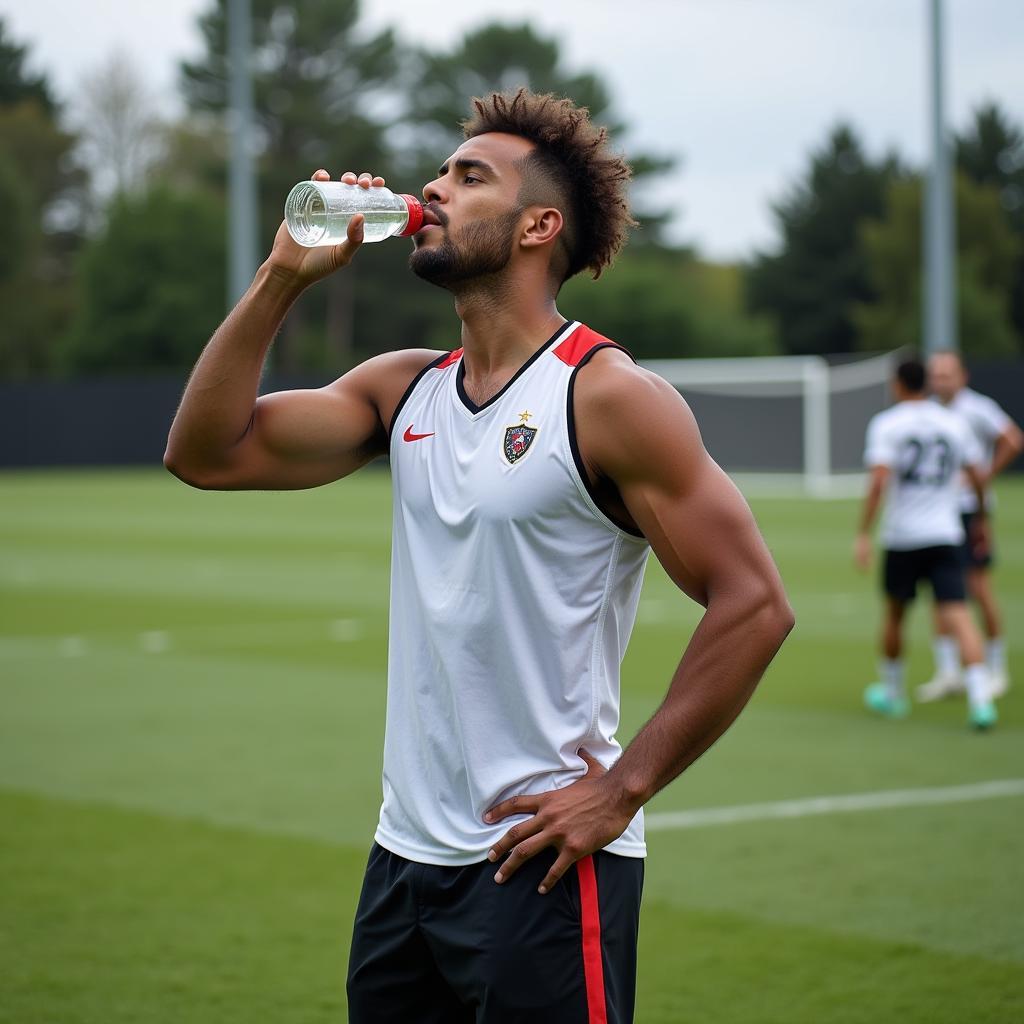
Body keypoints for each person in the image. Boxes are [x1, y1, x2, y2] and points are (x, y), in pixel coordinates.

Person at [165, 89, 794, 1023]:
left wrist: (621, 791)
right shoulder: (403, 388)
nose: (433, 188)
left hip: (541, 863)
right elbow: (206, 454)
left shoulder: (609, 396)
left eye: (469, 176)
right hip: (403, 861)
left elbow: (755, 603)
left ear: (540, 225)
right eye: (442, 172)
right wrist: (281, 279)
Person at [854, 358, 996, 730]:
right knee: (960, 615)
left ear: (899, 384)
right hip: (946, 532)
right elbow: (978, 476)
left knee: (895, 614)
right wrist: (980, 517)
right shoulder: (953, 423)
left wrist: (863, 533)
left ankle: (893, 694)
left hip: (903, 536)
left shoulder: (887, 423)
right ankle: (981, 702)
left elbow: (878, 482)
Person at [917, 350, 1023, 703]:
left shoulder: (978, 408)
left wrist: (985, 477)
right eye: (936, 374)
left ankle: (996, 668)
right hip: (937, 514)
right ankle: (948, 671)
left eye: (947, 374)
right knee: (941, 593)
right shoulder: (928, 412)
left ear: (963, 376)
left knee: (978, 587)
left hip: (969, 512)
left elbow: (1012, 439)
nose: (940, 380)